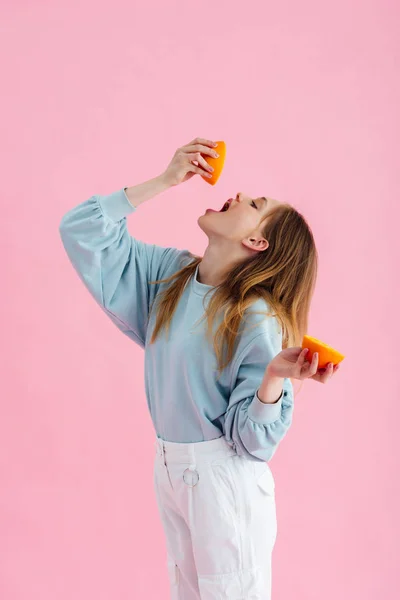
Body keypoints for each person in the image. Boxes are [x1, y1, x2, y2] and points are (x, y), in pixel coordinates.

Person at [59, 136, 339, 599]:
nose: (239, 195)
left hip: (224, 483)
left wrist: (272, 377)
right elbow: (82, 231)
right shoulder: (170, 279)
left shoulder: (254, 318)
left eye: (255, 203)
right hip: (171, 471)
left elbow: (251, 443)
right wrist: (166, 180)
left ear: (256, 240)